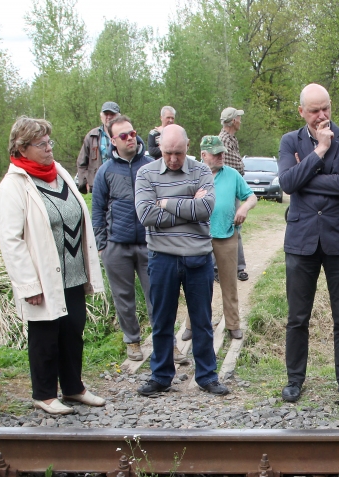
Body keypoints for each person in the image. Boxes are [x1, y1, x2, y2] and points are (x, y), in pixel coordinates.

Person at [0, 116, 107, 415]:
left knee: (73, 330)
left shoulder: (58, 173)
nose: (48, 148)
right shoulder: (14, 185)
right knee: (45, 336)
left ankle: (73, 387)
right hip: (43, 276)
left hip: (73, 270)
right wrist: (28, 284)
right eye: (41, 144)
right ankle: (44, 394)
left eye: (49, 142)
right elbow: (11, 240)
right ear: (22, 148)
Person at [278, 83, 339, 405]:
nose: (321, 116)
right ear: (301, 111)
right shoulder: (290, 141)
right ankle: (294, 380)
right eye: (314, 110)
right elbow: (287, 183)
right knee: (297, 317)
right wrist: (319, 152)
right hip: (302, 240)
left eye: (325, 108)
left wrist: (305, 177)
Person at [134, 124, 228, 397]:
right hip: (161, 257)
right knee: (162, 320)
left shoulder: (201, 171)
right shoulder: (146, 173)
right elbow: (145, 215)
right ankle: (161, 376)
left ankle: (207, 376)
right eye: (167, 153)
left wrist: (164, 202)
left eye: (178, 152)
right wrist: (187, 205)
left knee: (202, 320)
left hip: (198, 258)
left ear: (188, 147)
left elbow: (206, 208)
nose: (173, 159)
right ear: (159, 148)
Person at [91, 114, 154, 362]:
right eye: (123, 136)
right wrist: (102, 245)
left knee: (158, 296)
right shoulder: (105, 172)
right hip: (117, 245)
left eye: (132, 133)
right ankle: (133, 341)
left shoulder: (150, 166)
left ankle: (165, 342)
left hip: (150, 244)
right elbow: (97, 210)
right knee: (124, 298)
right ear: (112, 140)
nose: (131, 138)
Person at [199, 135, 257, 341]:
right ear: (204, 155)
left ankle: (233, 324)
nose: (222, 156)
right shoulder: (194, 174)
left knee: (229, 283)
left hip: (226, 235)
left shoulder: (232, 174)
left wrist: (244, 207)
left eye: (222, 152)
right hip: (199, 238)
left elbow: (252, 196)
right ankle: (192, 324)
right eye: (216, 154)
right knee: (196, 285)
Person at [219, 106, 249, 281]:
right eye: (238, 117)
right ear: (232, 121)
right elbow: (236, 167)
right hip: (225, 191)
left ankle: (238, 267)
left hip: (233, 190)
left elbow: (238, 166)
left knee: (235, 228)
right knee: (226, 228)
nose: (240, 120)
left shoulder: (232, 139)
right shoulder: (222, 140)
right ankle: (221, 269)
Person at [76, 101, 120, 193]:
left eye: (112, 114)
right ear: (101, 116)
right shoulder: (92, 136)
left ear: (119, 116)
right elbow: (81, 162)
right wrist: (85, 181)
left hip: (120, 181)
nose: (109, 117)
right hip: (98, 183)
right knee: (99, 207)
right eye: (106, 114)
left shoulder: (125, 134)